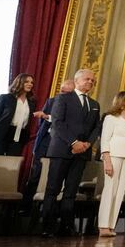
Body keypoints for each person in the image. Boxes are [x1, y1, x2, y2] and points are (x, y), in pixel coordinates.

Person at [41, 69, 101, 237]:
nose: (90, 82)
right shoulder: (63, 98)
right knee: (53, 189)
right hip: (62, 150)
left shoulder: (94, 104)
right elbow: (58, 123)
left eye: (93, 81)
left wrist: (87, 143)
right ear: (77, 80)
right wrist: (74, 142)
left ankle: (67, 226)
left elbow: (96, 127)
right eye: (87, 79)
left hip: (82, 153)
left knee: (71, 191)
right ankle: (47, 226)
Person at [23, 79, 75, 208]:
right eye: (62, 91)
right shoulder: (52, 101)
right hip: (45, 141)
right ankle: (25, 207)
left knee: (55, 178)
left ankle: (49, 209)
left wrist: (48, 117)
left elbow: (61, 122)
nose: (62, 94)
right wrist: (46, 118)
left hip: (61, 144)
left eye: (67, 93)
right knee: (36, 175)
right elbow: (42, 124)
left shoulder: (75, 107)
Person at [97, 91, 125, 237]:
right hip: (114, 156)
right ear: (122, 102)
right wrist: (107, 161)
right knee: (110, 189)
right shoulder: (111, 118)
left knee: (120, 192)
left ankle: (111, 225)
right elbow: (105, 140)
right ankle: (103, 225)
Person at [0, 73, 37, 156]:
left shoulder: (32, 102)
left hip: (19, 136)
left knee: (12, 165)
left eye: (31, 82)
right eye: (26, 82)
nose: (30, 84)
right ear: (19, 82)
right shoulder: (5, 98)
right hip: (1, 134)